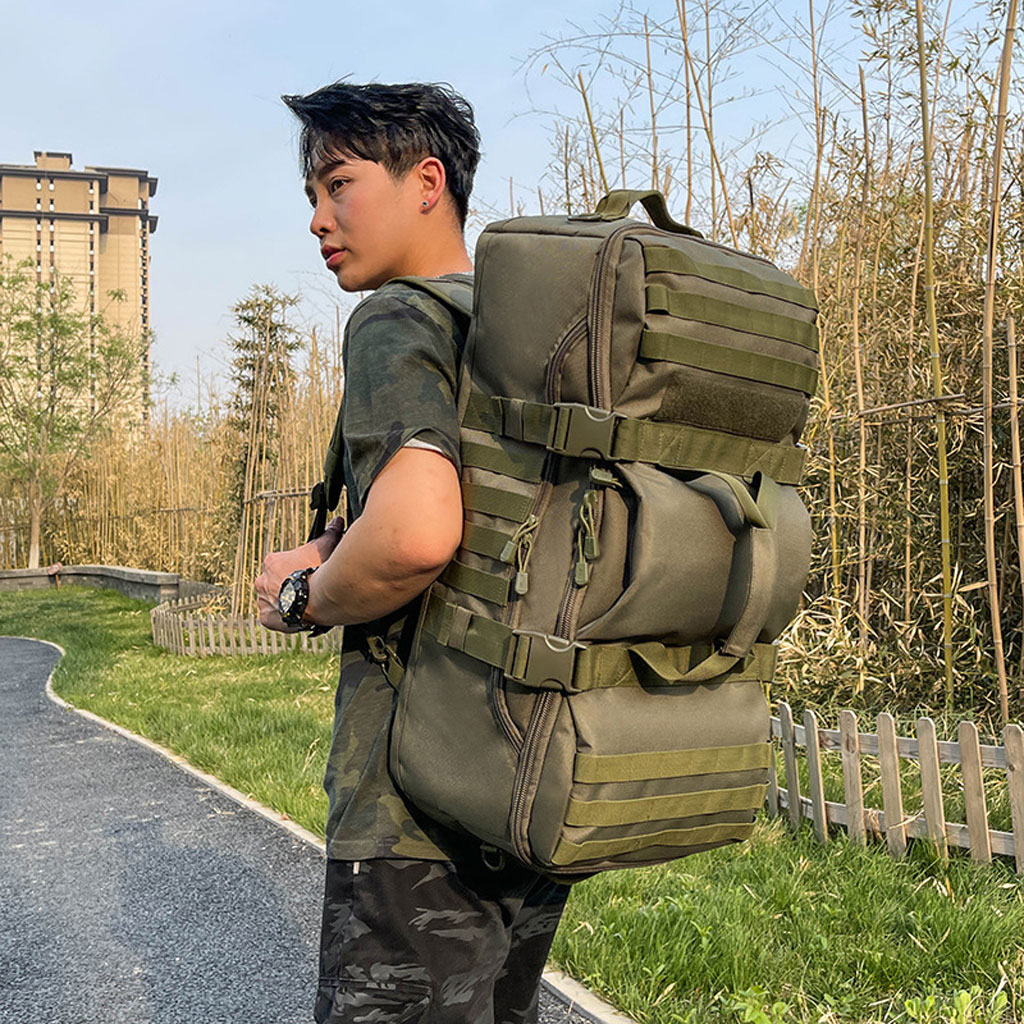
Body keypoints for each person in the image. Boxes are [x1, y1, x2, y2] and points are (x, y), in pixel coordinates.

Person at [253, 81, 571, 1024]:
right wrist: (339, 540)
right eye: (313, 196)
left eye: (338, 185)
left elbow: (419, 533)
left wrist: (306, 594)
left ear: (427, 182)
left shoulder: (399, 318)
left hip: (414, 808)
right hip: (524, 781)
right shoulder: (518, 335)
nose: (319, 219)